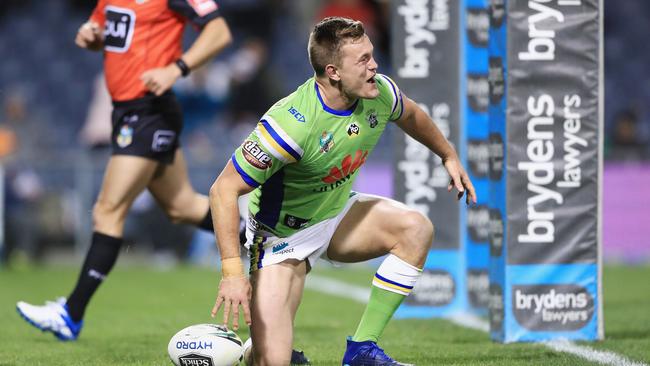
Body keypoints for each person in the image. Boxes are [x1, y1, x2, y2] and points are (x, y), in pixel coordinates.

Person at [209, 16, 477, 366]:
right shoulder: (290, 126)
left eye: (372, 55)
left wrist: (448, 154)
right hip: (281, 240)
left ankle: (361, 351)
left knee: (415, 228)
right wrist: (232, 273)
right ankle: (248, 350)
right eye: (363, 60)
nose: (374, 66)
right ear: (333, 71)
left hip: (335, 216)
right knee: (273, 361)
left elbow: (411, 115)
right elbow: (222, 190)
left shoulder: (378, 91)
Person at [15, 0, 231, 341]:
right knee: (182, 206)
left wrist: (176, 68)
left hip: (149, 111)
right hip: (126, 112)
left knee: (107, 210)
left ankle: (70, 313)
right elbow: (112, 36)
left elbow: (219, 31)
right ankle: (263, 234)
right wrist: (93, 37)